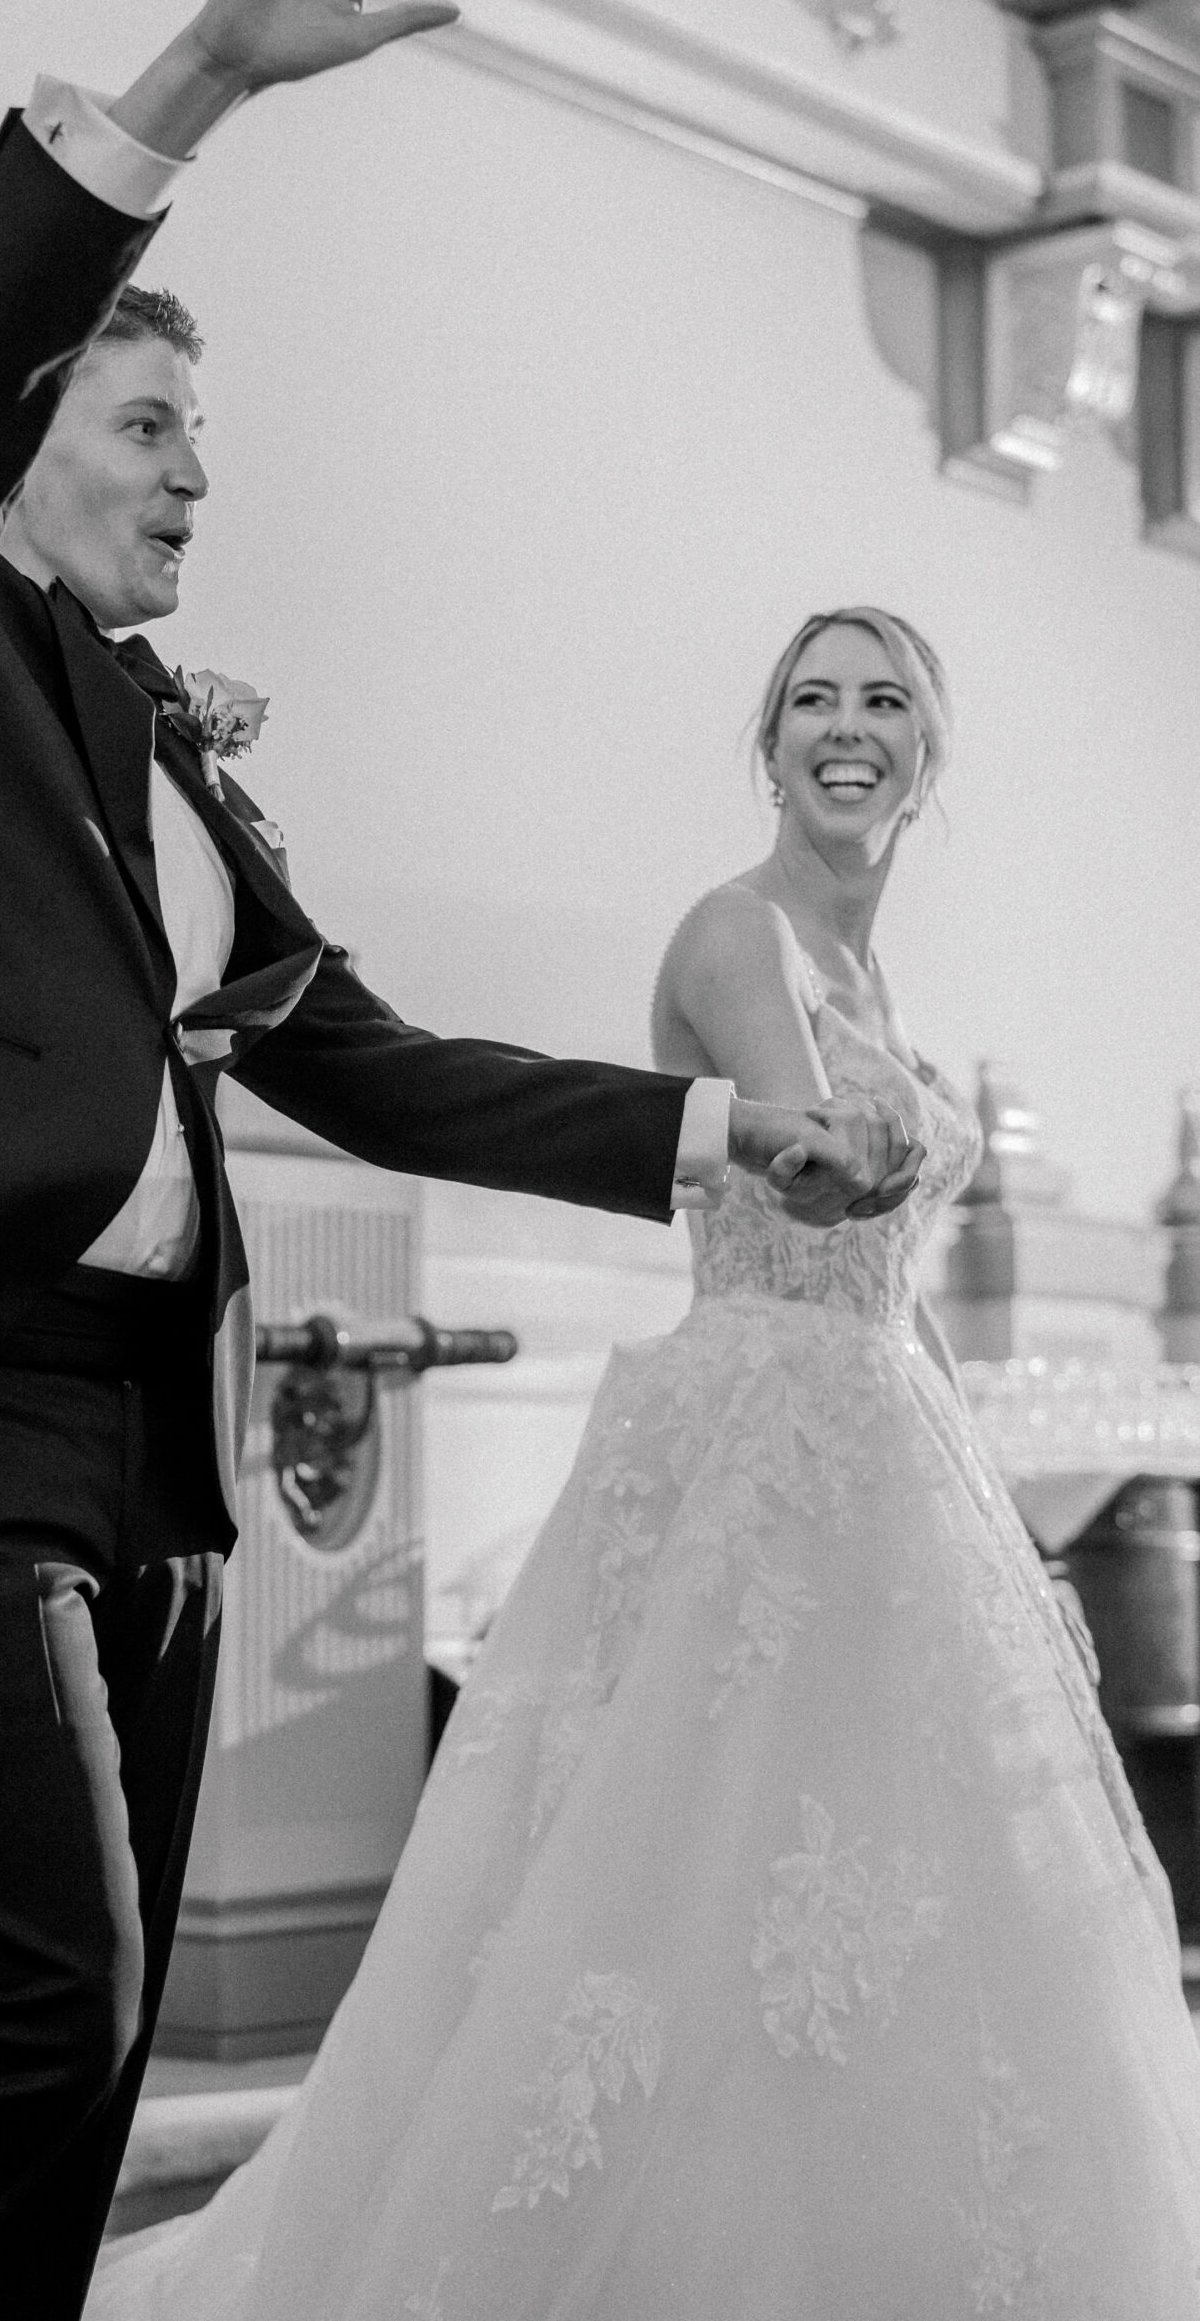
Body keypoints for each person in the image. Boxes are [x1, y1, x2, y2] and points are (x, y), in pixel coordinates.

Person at [0, 0, 917, 2321]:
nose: (200, 470)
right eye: (144, 419)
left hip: (148, 1432)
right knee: (24, 2011)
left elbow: (365, 1052)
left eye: (208, 432)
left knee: (81, 2079)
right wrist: (210, 62)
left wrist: (706, 1129)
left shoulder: (166, 760)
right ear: (17, 445)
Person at [85, 608, 1200, 2320]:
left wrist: (989, 1508)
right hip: (758, 1451)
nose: (848, 727)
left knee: (913, 1901)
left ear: (928, 753)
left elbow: (892, 1291)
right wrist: (859, 1156)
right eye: (813, 700)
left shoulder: (880, 971)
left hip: (892, 1448)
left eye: (884, 700)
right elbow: (807, 1155)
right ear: (769, 746)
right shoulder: (736, 935)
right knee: (704, 1881)